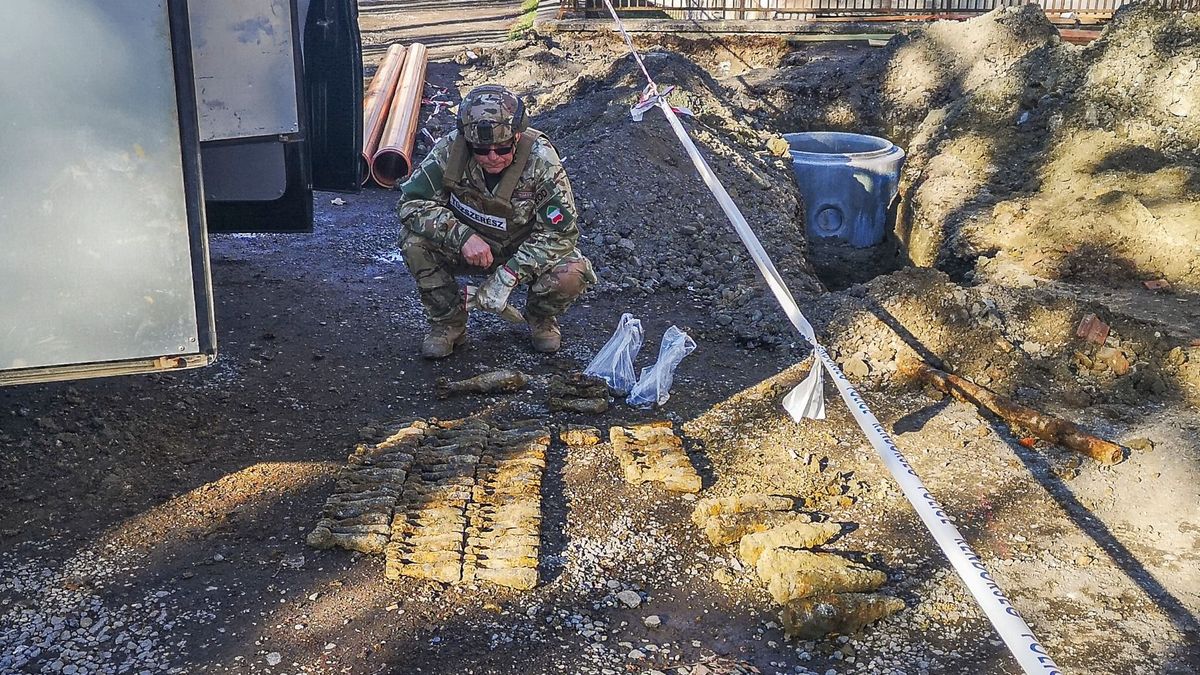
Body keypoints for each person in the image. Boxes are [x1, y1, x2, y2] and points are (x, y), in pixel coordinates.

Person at [396, 84, 596, 359]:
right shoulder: (449, 152)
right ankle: (448, 323)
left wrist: (511, 273)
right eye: (481, 150)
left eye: (502, 149)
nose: (492, 157)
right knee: (413, 242)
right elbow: (411, 203)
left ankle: (540, 317)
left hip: (521, 249)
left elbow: (560, 234)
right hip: (469, 248)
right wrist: (462, 236)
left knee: (572, 271)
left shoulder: (541, 160)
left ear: (516, 136)